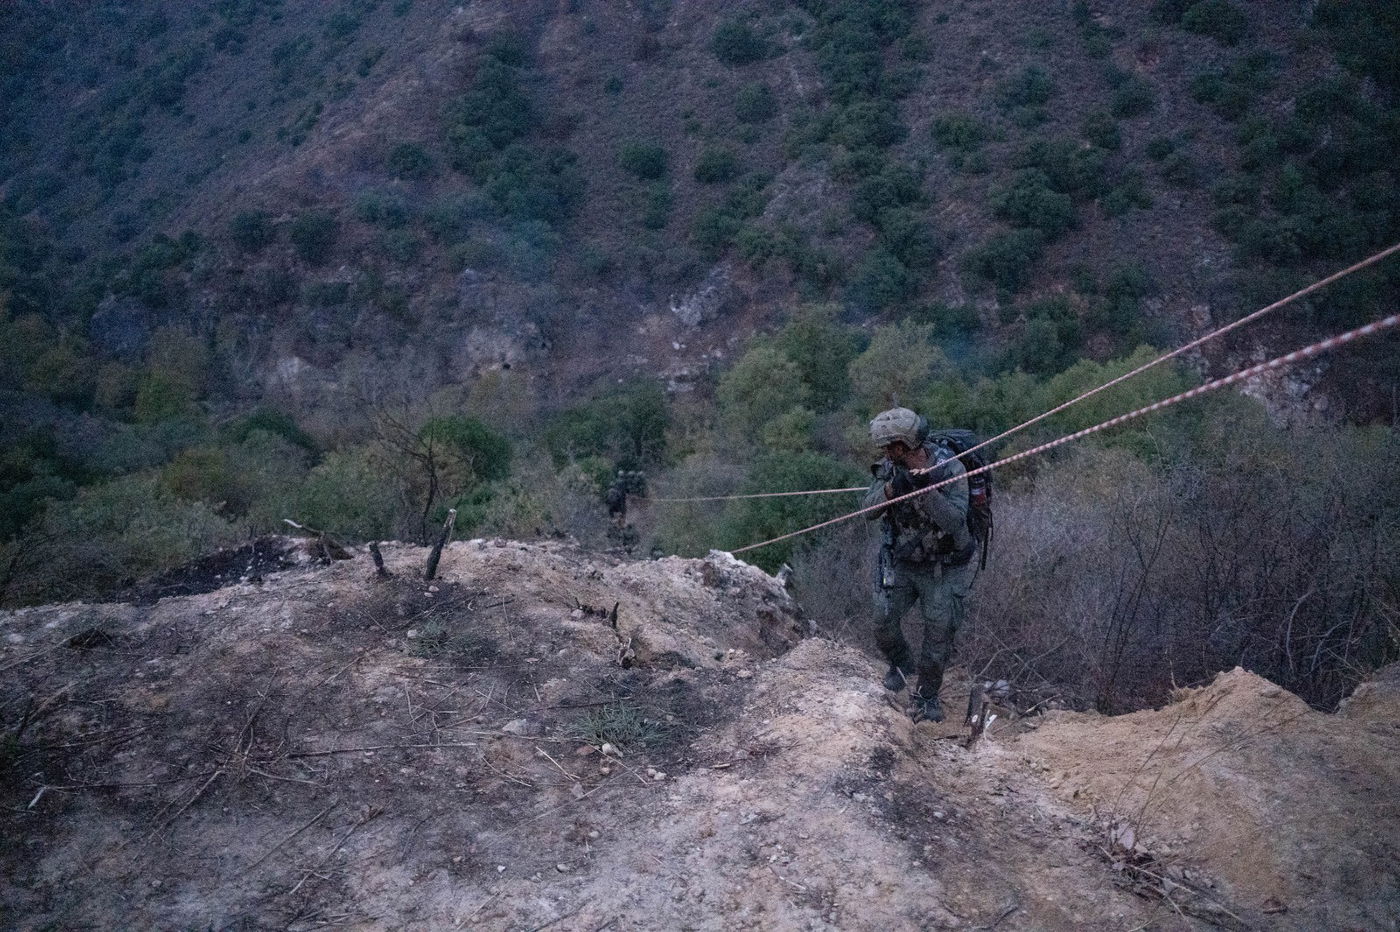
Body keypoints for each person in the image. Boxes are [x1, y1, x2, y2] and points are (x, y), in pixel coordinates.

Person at [863, 407, 978, 723]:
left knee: (938, 637)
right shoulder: (890, 470)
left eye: (890, 447)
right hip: (903, 562)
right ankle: (901, 665)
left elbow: (955, 521)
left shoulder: (951, 468)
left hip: (943, 567)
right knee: (882, 622)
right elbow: (867, 510)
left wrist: (926, 490)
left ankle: (927, 697)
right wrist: (891, 490)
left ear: (903, 445)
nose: (886, 453)